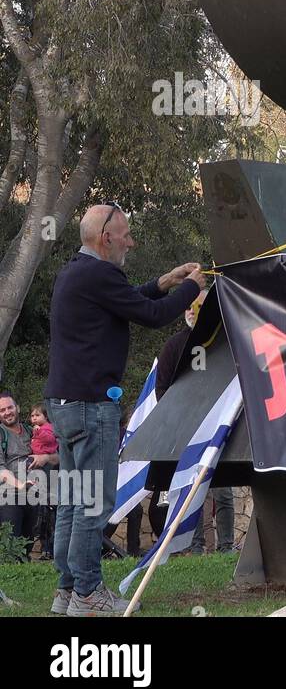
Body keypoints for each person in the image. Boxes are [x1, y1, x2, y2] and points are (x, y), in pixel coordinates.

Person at [44, 203, 204, 616]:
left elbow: (130, 299)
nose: (131, 241)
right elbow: (150, 316)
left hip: (64, 404)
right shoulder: (100, 274)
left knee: (74, 502)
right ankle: (88, 595)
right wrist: (192, 288)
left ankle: (67, 592)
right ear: (106, 237)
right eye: (126, 234)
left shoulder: (76, 271)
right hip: (91, 407)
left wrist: (165, 281)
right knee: (94, 504)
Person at [155, 289, 235, 554]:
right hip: (186, 431)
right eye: (188, 306)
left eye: (198, 306)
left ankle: (226, 547)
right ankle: (196, 547)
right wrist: (177, 422)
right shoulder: (174, 345)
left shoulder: (225, 342)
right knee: (192, 490)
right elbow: (162, 389)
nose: (191, 310)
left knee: (223, 490)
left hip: (218, 427)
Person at [0, 393, 40, 558]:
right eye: (2, 410)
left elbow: (56, 455)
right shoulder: (2, 434)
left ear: (18, 408)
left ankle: (26, 576)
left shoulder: (32, 431)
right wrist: (21, 485)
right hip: (9, 496)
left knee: (28, 544)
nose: (7, 412)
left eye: (10, 407)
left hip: (34, 494)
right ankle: (10, 577)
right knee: (12, 547)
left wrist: (44, 458)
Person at [28, 404, 58, 559]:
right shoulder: (34, 430)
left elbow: (50, 440)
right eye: (32, 416)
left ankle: (50, 548)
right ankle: (45, 547)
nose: (34, 418)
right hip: (38, 470)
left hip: (48, 468)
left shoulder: (47, 428)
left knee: (49, 509)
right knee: (42, 511)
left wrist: (39, 433)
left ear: (45, 417)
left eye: (37, 415)